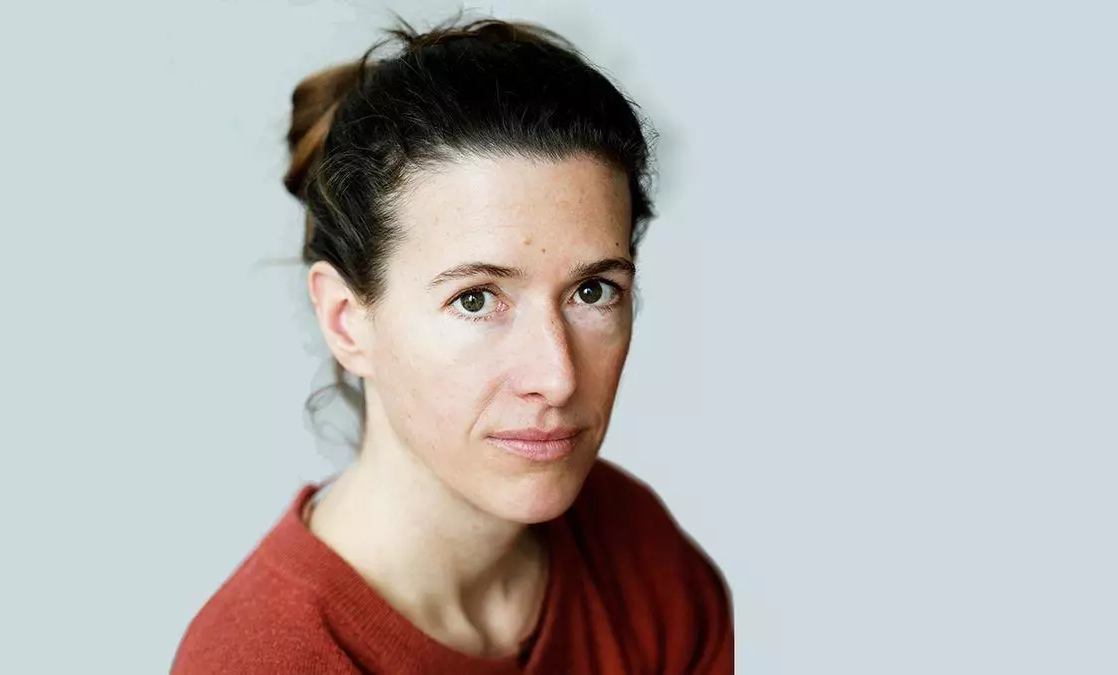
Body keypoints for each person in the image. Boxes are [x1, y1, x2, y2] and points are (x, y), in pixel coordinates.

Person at [171, 17, 733, 675]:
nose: (557, 377)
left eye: (592, 291)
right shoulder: (266, 659)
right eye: (476, 299)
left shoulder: (640, 553)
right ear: (346, 321)